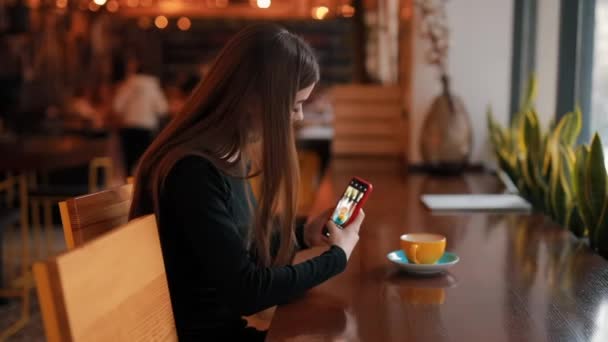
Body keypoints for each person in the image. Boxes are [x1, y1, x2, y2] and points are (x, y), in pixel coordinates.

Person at [129, 24, 365, 341]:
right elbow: (248, 291)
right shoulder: (193, 171)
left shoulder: (225, 155)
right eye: (293, 105)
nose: (299, 118)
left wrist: (303, 233)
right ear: (254, 98)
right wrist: (337, 258)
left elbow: (235, 246)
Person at [113, 57, 168, 175]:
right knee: (145, 161)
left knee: (129, 161)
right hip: (146, 127)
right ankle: (142, 185)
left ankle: (127, 186)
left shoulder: (128, 83)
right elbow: (162, 109)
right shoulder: (153, 85)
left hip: (129, 126)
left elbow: (117, 105)